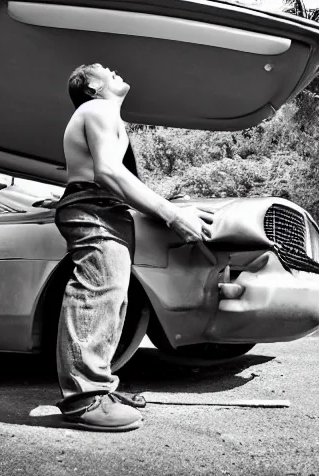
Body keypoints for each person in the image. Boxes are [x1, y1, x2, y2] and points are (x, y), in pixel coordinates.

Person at [55, 63, 214, 432]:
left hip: (107, 211)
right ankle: (84, 398)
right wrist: (172, 214)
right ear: (92, 87)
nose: (114, 70)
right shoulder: (95, 109)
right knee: (97, 295)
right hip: (93, 208)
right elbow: (108, 172)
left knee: (112, 301)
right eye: (104, 70)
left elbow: (120, 180)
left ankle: (99, 387)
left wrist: (170, 206)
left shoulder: (106, 115)